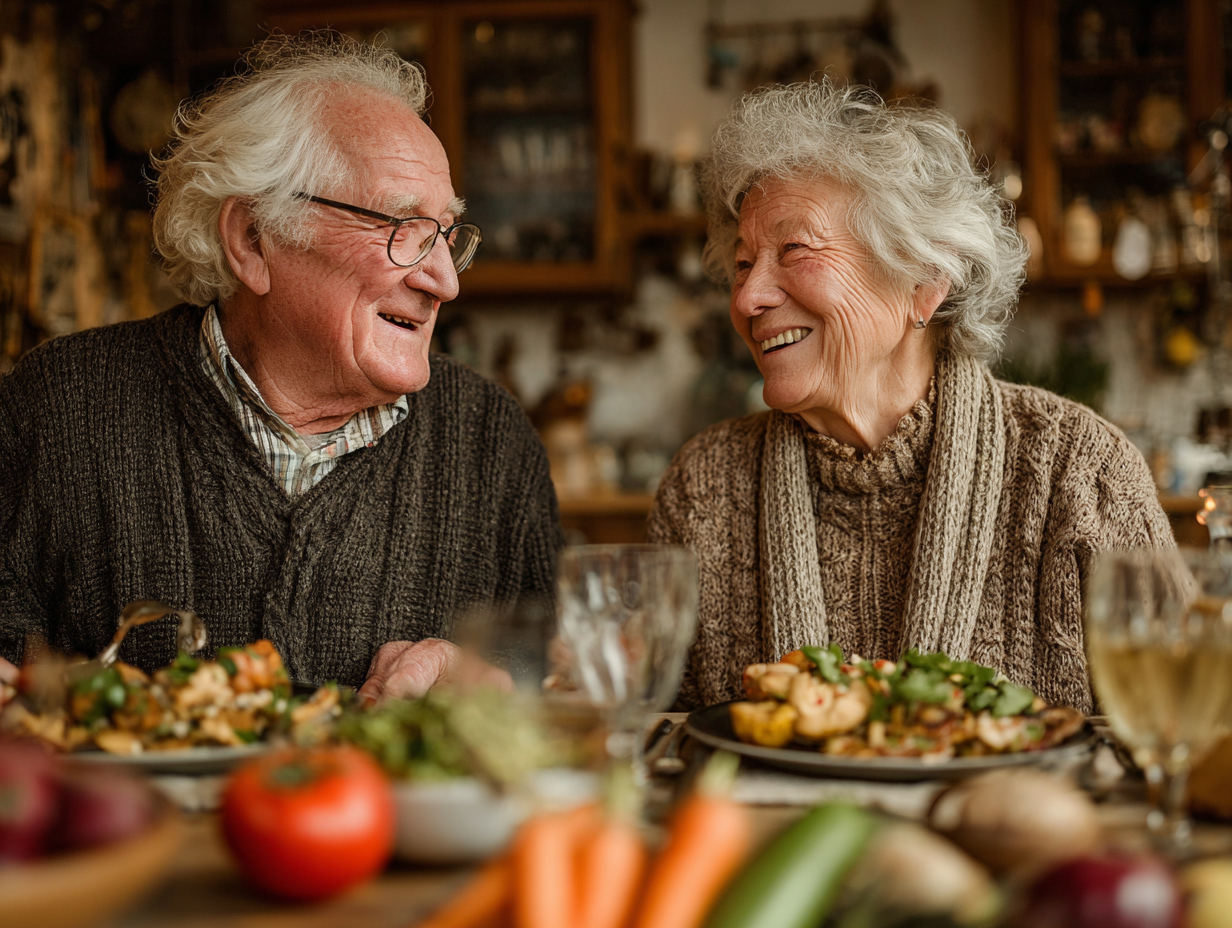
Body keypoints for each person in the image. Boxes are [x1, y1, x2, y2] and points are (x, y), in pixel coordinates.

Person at [0, 33, 562, 702]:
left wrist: (500, 679)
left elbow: (562, 677)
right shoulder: (55, 410)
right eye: (403, 228)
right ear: (253, 239)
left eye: (445, 234)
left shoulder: (490, 442)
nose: (444, 281)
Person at [648, 82, 1172, 713]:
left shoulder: (1082, 473)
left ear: (924, 282)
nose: (747, 298)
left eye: (794, 249)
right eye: (741, 264)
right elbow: (647, 752)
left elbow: (1181, 742)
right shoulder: (703, 488)